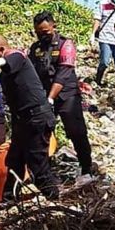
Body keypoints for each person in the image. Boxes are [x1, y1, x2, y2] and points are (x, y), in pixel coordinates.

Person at [0, 34, 60, 202]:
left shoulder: (16, 56)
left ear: (2, 50)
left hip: (37, 117)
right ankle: (9, 200)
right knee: (14, 160)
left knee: (37, 163)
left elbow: (11, 61)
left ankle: (54, 198)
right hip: (22, 120)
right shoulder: (4, 73)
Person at [30, 11, 93, 178]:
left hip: (66, 95)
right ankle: (43, 171)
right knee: (42, 132)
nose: (42, 35)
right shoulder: (35, 48)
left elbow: (63, 74)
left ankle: (87, 167)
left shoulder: (66, 45)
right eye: (38, 33)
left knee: (76, 131)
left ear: (54, 26)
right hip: (45, 96)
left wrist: (50, 98)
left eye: (45, 32)